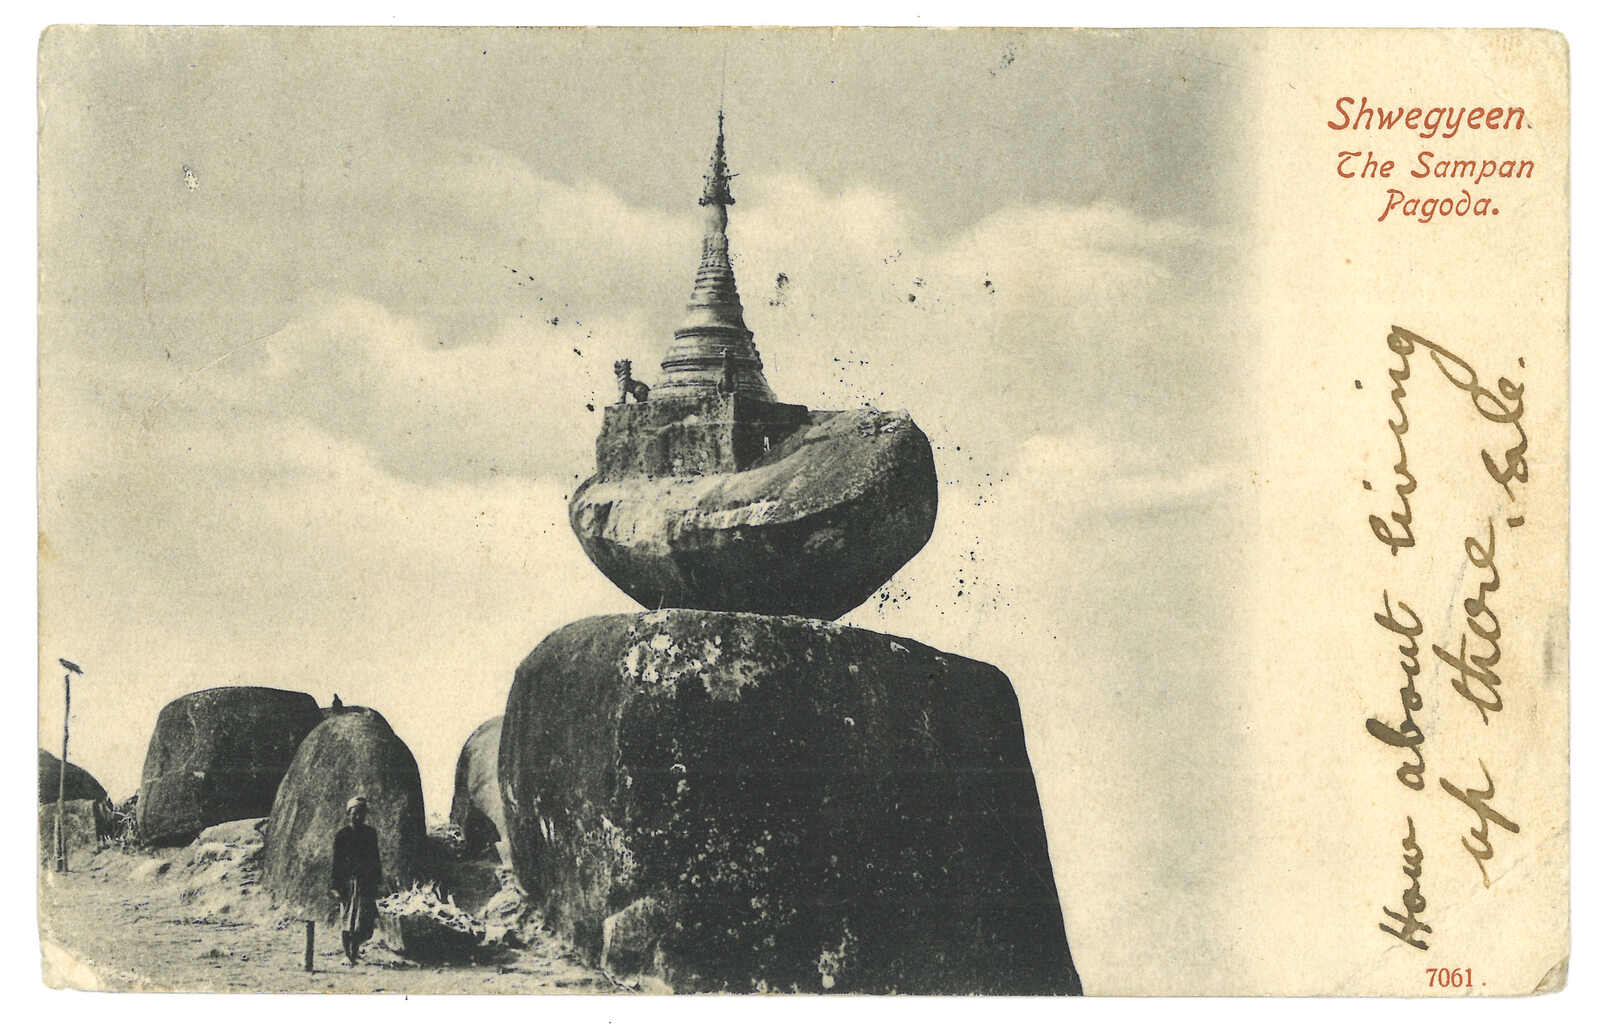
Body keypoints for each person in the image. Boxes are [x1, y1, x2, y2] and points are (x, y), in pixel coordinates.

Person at [331, 795, 382, 966]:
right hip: (348, 884)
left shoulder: (370, 834)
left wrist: (377, 882)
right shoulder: (342, 835)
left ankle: (355, 950)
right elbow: (337, 862)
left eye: (361, 813)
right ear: (349, 814)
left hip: (366, 884)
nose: (358, 816)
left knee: (365, 922)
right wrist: (335, 886)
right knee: (348, 920)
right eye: (354, 813)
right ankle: (349, 955)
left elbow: (375, 859)